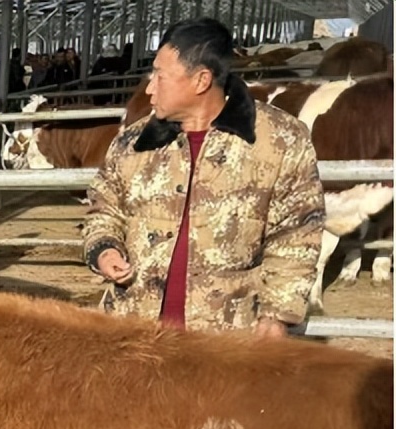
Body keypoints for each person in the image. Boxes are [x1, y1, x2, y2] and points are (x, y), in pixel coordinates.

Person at [83, 17, 324, 334]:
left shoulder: (279, 140)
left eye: (160, 76)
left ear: (201, 81)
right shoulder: (133, 142)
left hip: (225, 341)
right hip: (134, 332)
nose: (150, 88)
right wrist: (104, 249)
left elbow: (297, 233)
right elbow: (104, 209)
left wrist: (276, 314)